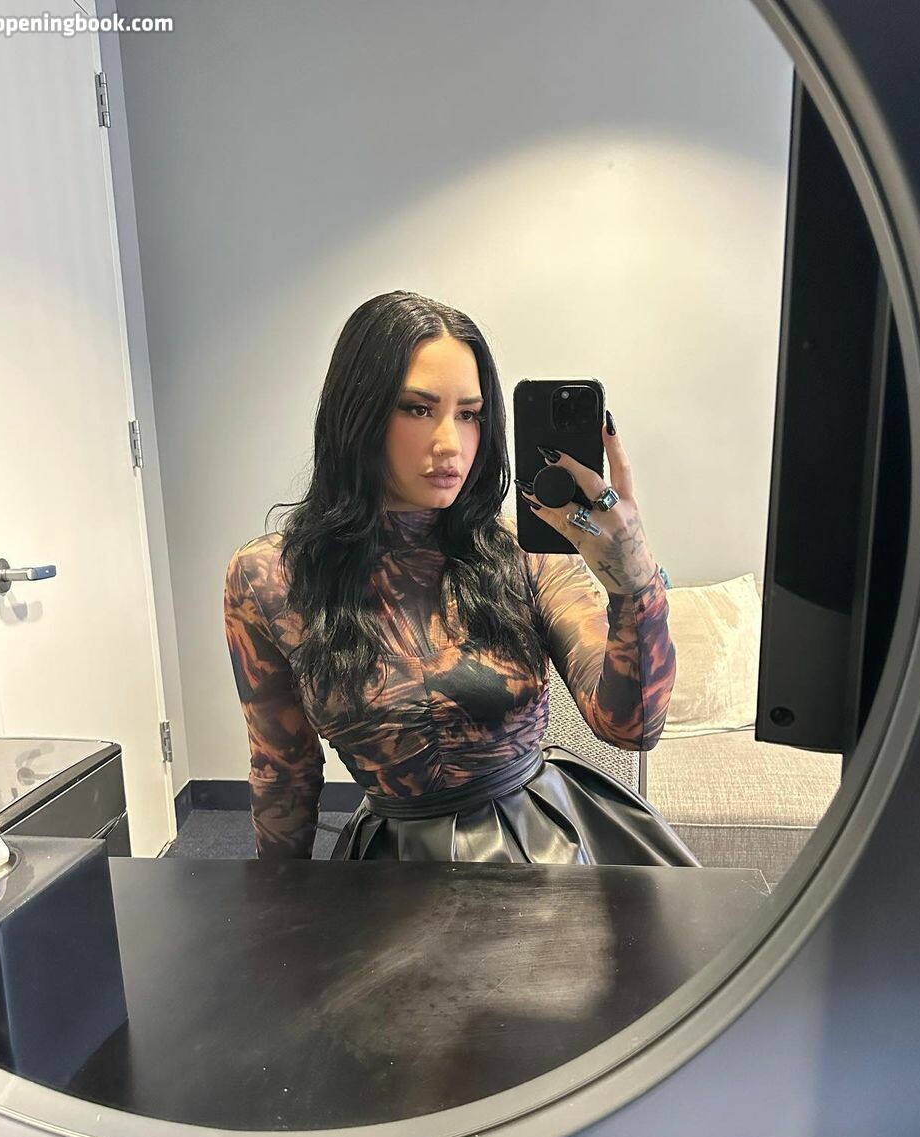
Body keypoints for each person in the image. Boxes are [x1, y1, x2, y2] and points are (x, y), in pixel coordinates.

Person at [223, 290, 699, 867]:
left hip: (541, 851)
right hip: (390, 868)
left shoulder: (522, 552)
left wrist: (634, 583)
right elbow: (284, 772)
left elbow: (631, 728)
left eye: (470, 414)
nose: (451, 443)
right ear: (357, 414)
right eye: (417, 409)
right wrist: (278, 905)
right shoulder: (269, 579)